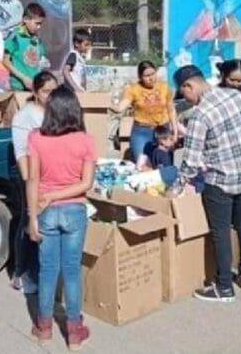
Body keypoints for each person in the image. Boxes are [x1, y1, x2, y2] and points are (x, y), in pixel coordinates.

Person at [175, 65, 241, 302]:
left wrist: (177, 186)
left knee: (221, 232)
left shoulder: (200, 115)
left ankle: (224, 286)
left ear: (189, 86)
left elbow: (191, 160)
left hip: (221, 181)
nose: (185, 99)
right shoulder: (238, 96)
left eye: (184, 93)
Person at [27, 86, 96, 349]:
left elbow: (32, 180)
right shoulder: (85, 140)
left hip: (45, 210)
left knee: (47, 271)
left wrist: (33, 217)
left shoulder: (36, 138)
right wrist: (59, 195)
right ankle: (75, 333)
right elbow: (85, 184)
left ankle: (44, 329)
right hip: (74, 211)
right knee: (71, 272)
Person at [10, 71, 58, 294]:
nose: (50, 96)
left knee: (45, 225)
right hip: (31, 175)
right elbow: (20, 153)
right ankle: (20, 273)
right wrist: (30, 182)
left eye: (54, 91)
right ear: (35, 92)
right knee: (28, 223)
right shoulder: (24, 116)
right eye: (46, 91)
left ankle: (39, 270)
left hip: (52, 177)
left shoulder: (56, 112)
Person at [111, 61, 178, 163]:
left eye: (153, 74)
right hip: (142, 131)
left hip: (163, 130)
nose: (151, 78)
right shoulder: (133, 89)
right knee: (142, 165)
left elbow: (171, 110)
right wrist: (109, 104)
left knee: (165, 166)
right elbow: (121, 107)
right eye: (147, 76)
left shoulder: (164, 87)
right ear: (140, 77)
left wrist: (175, 132)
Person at [4, 3, 48, 91]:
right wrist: (24, 78)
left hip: (35, 86)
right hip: (18, 87)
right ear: (25, 19)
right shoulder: (15, 37)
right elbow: (5, 61)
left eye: (41, 24)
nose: (39, 27)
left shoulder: (37, 40)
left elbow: (41, 60)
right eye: (37, 23)